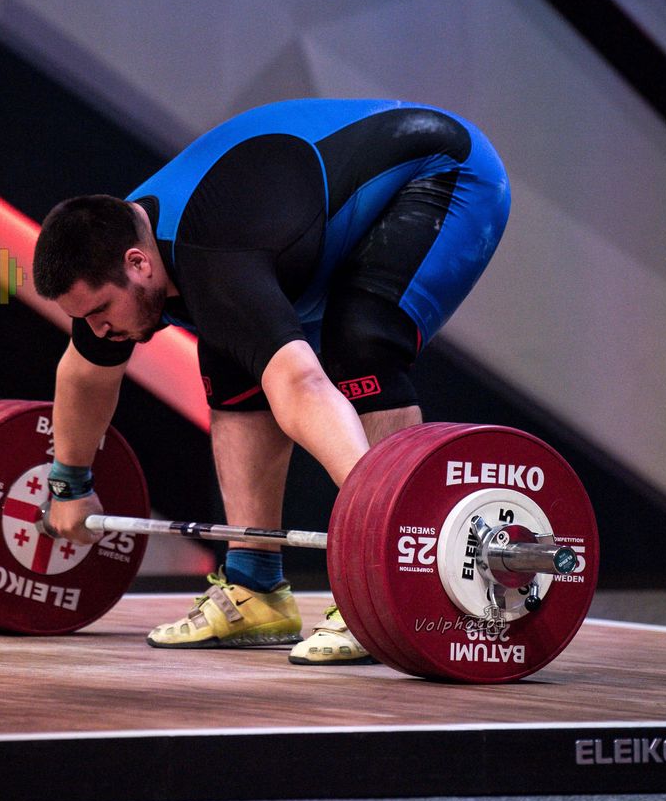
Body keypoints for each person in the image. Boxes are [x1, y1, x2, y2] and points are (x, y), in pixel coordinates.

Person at [32, 99, 510, 664]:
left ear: (139, 264)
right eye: (83, 317)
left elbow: (301, 385)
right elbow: (84, 374)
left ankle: (389, 578)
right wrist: (69, 484)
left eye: (100, 312)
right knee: (230, 356)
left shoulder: (211, 254)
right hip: (303, 223)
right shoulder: (110, 255)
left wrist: (384, 520)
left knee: (362, 341)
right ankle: (254, 586)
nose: (97, 328)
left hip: (443, 171)